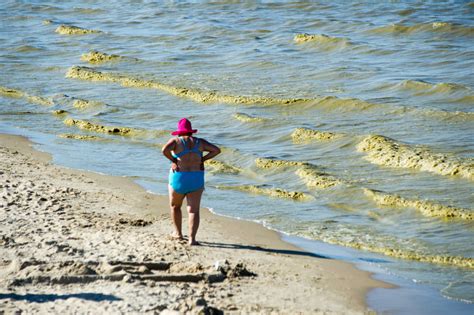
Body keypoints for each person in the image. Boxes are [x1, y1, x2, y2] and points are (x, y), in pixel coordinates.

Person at [162, 118, 221, 245]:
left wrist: (173, 160)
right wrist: (202, 159)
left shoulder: (175, 141)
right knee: (193, 210)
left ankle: (178, 234)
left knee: (175, 206)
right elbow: (216, 150)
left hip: (179, 177)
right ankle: (192, 239)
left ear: (179, 131)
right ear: (190, 131)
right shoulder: (200, 142)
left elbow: (164, 150)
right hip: (196, 177)